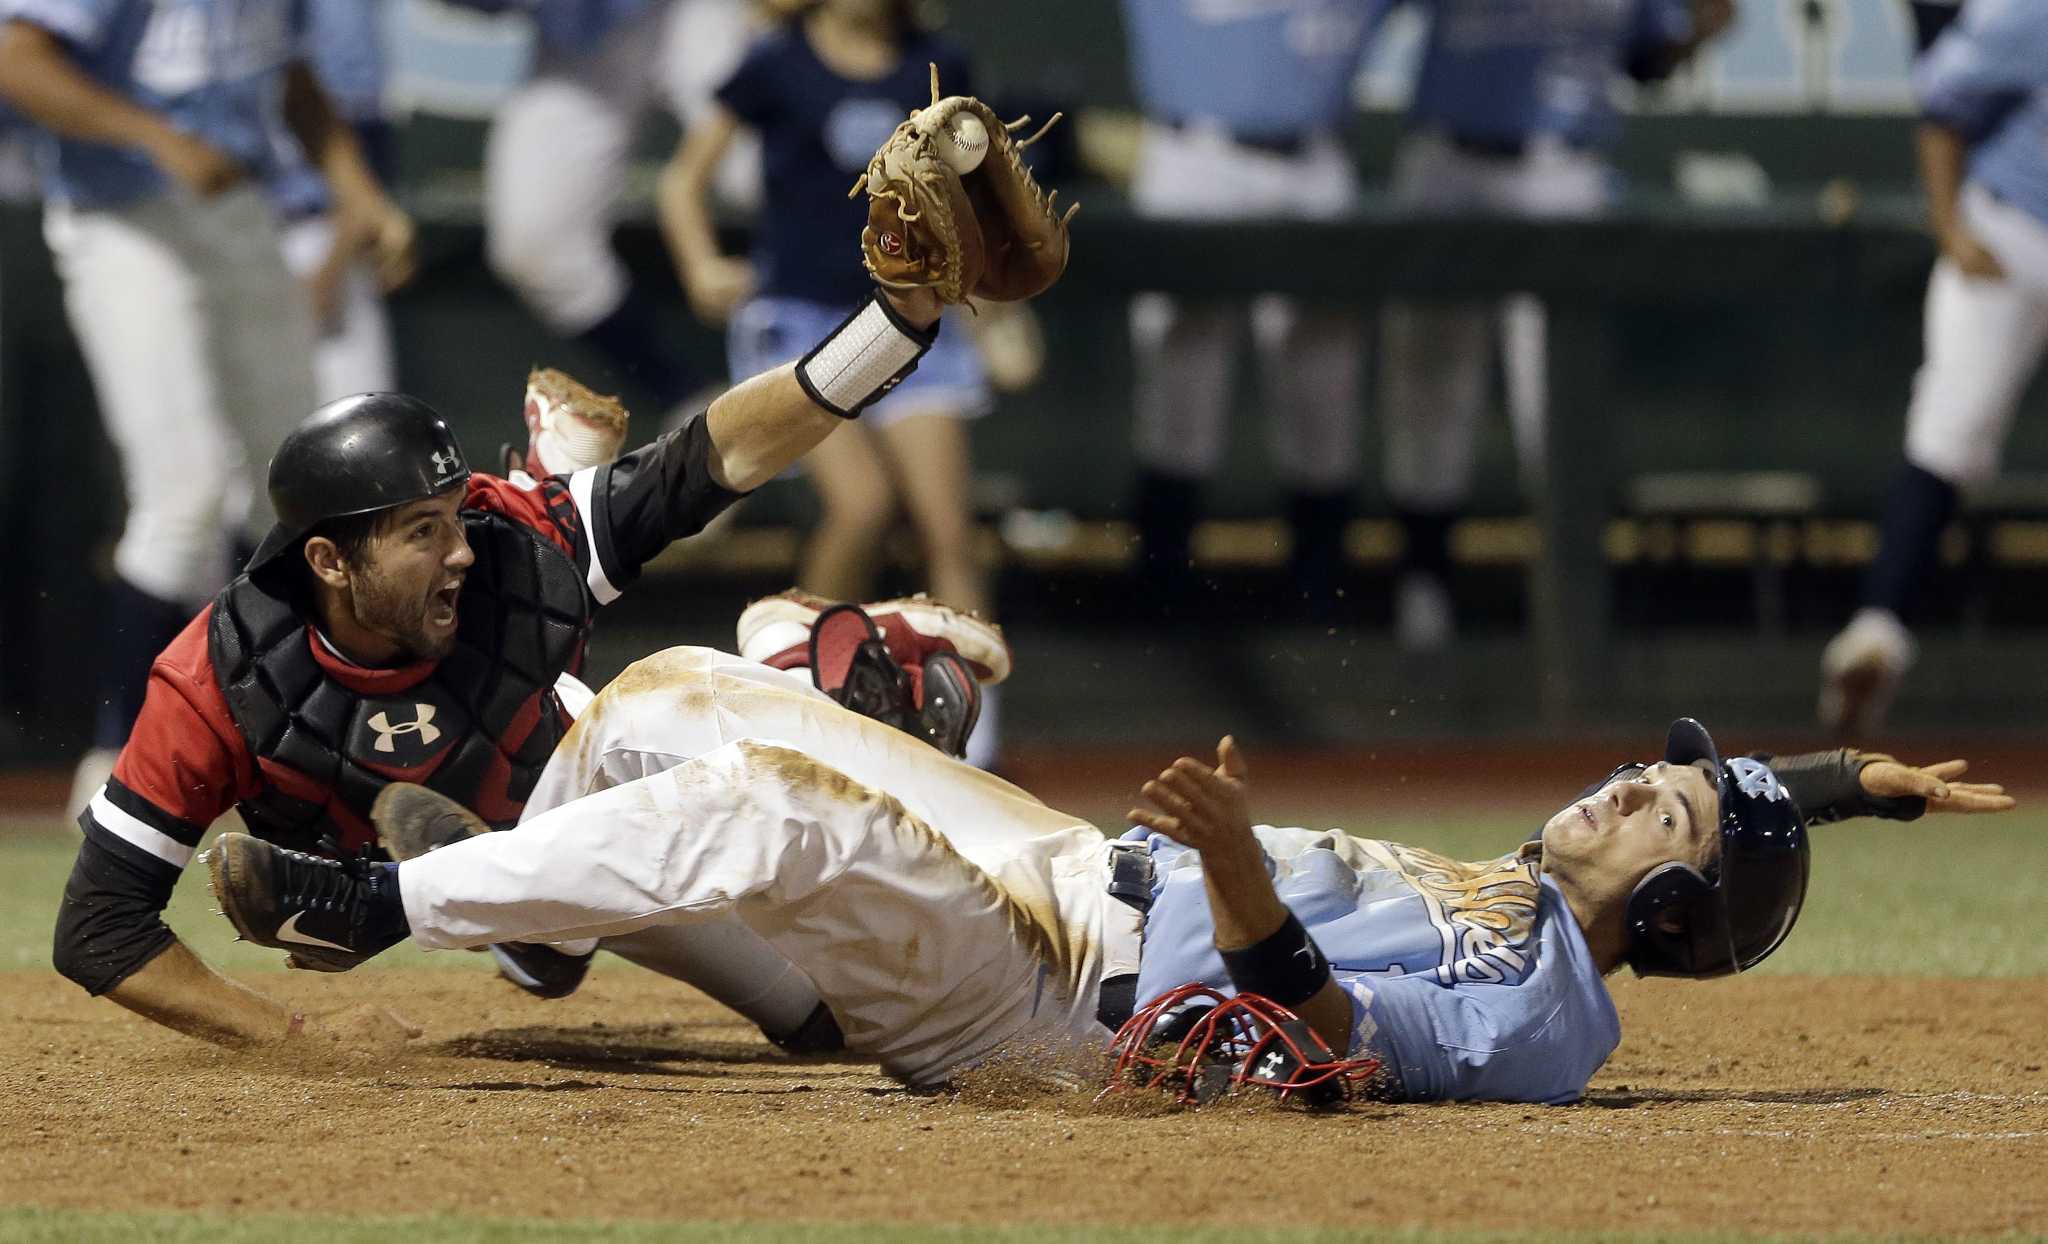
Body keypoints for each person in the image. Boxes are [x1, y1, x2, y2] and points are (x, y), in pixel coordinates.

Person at [207, 643, 2009, 1099]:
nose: (1633, 780)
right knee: (699, 690)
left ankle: (378, 909)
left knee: (774, 803)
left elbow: (1332, 1043)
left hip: (1074, 1007)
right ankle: (555, 914)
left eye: (1661, 815)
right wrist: (1852, 781)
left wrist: (1229, 874)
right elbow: (1740, 793)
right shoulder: (1542, 885)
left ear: (1670, 916)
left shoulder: (1545, 1007)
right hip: (1083, 878)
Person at [47, 211, 977, 1054]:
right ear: (329, 561)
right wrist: (297, 1037)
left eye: (456, 516)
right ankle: (534, 922)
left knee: (827, 1024)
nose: (459, 552)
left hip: (577, 828)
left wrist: (891, 330)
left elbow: (716, 457)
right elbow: (98, 928)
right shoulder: (222, 676)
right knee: (574, 830)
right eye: (422, 532)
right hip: (403, 878)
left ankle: (548, 922)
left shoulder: (508, 547)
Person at [0, 0, 411, 813]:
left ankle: (308, 744)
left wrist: (355, 192)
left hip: (236, 206)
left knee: (299, 491)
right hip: (122, 217)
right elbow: (18, 58)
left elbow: (291, 72)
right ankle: (119, 758)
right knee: (182, 495)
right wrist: (155, 137)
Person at [660, 0, 1011, 766]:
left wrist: (1003, 316)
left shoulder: (938, 66)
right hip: (802, 325)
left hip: (916, 316)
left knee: (947, 529)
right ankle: (793, 708)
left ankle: (970, 744)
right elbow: (683, 182)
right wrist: (699, 265)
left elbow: (975, 202)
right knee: (861, 505)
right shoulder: (776, 63)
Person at [1376, 0, 1733, 648]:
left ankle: (1567, 608)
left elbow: (1646, 59)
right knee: (1431, 383)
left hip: (1563, 165)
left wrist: (1696, 34)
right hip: (1451, 158)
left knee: (1557, 399)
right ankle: (1420, 589)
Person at [1818, 0, 2041, 736]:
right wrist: (1950, 229)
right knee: (1952, 424)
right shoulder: (2027, 14)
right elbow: (1941, 108)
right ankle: (1876, 633)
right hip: (2013, 230)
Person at [1118, 0, 1377, 617]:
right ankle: (1162, 594)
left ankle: (1321, 596)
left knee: (1322, 380)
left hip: (1315, 157)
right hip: (1195, 153)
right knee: (1179, 376)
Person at [478, 0, 761, 413]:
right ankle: (684, 396)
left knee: (758, 175)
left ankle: (858, 345)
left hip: (705, 12)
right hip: (583, 35)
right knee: (534, 241)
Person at [268, 0, 413, 404]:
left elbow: (353, 124)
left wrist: (337, 254)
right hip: (238, 234)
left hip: (317, 232)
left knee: (355, 426)